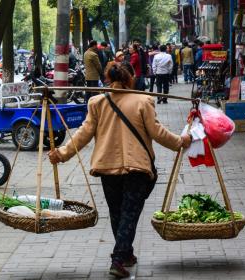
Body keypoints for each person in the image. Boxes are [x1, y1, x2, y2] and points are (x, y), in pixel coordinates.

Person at [48, 64, 192, 278]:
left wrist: (62, 153)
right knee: (129, 214)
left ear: (108, 79)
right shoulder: (143, 101)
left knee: (118, 213)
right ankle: (118, 259)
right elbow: (158, 132)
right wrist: (181, 141)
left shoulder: (97, 102)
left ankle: (127, 253)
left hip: (107, 168)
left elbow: (83, 134)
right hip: (137, 169)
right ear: (130, 79)